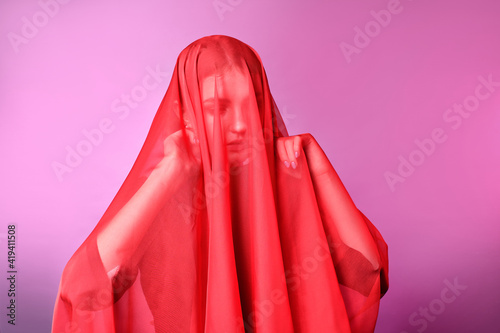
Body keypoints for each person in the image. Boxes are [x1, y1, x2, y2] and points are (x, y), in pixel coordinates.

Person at [51, 35, 389, 333]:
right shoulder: (167, 192)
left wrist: (316, 162)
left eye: (252, 104)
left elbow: (369, 269)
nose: (242, 125)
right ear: (186, 113)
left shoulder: (288, 179)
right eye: (219, 108)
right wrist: (170, 173)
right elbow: (81, 288)